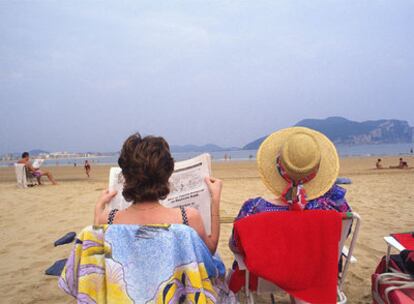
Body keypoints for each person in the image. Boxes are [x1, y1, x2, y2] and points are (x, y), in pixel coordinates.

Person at [94, 133, 222, 254]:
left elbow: (96, 253)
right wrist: (215, 199)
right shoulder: (188, 218)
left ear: (125, 177)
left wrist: (99, 207)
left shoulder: (107, 220)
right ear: (167, 174)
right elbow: (210, 249)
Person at [229, 127, 351, 253]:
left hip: (267, 272)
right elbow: (342, 237)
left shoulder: (255, 209)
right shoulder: (335, 207)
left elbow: (236, 246)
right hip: (319, 272)